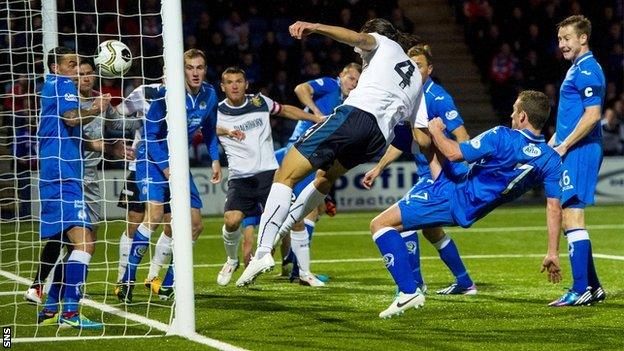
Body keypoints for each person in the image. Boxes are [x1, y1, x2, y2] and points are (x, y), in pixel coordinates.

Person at [236, 18, 426, 287]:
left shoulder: (381, 43)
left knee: (285, 175)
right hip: (377, 139)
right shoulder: (416, 76)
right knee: (324, 179)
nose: (358, 52)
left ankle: (264, 251)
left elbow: (358, 40)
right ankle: (286, 226)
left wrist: (315, 27)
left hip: (356, 116)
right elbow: (416, 131)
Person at [369, 90, 563, 318]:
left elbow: (453, 153)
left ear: (522, 117)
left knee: (380, 225)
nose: (511, 115)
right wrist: (553, 251)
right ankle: (460, 281)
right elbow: (553, 207)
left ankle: (408, 291)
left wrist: (437, 131)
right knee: (426, 146)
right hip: (464, 193)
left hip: (454, 197)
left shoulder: (502, 136)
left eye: (514, 111)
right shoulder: (551, 160)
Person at [362, 44, 476, 295]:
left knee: (397, 223)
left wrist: (460, 173)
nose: (415, 70)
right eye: (411, 66)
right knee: (431, 230)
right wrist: (379, 168)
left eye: (420, 66)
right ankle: (466, 283)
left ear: (430, 69)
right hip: (428, 175)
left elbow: (463, 136)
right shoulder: (410, 97)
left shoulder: (437, 97)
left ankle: (414, 286)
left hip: (440, 177)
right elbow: (403, 142)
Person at [24, 60, 140, 305]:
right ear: (72, 77)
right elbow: (72, 123)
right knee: (73, 240)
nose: (86, 78)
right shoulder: (68, 100)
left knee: (86, 242)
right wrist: (96, 113)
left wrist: (145, 117)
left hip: (90, 179)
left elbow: (118, 125)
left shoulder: (102, 101)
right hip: (69, 175)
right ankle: (58, 297)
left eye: (89, 73)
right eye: (80, 73)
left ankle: (57, 298)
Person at [116, 49, 221, 303]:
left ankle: (167, 284)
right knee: (152, 216)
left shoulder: (209, 94)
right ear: (181, 70)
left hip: (178, 163)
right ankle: (126, 280)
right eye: (189, 67)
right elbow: (150, 137)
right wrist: (165, 168)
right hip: (151, 161)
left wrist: (215, 158)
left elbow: (209, 129)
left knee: (195, 225)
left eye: (199, 67)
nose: (195, 73)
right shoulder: (166, 95)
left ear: (205, 70)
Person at [215, 67, 323, 286]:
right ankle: (231, 259)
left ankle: (305, 273)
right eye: (229, 82)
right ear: (222, 86)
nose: (234, 85)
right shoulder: (216, 111)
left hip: (269, 175)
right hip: (240, 178)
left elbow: (285, 110)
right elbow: (202, 129)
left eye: (238, 81)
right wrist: (225, 132)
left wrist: (315, 118)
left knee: (296, 220)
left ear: (246, 84)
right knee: (232, 220)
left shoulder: (259, 101)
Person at [274, 62, 361, 283]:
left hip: (312, 154)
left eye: (357, 81)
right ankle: (297, 272)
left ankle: (289, 263)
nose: (353, 84)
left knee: (310, 208)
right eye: (351, 78)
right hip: (302, 151)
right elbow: (301, 88)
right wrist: (316, 113)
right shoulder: (331, 85)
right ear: (341, 75)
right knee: (306, 211)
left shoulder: (346, 100)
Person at [548, 15, 606, 307]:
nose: (562, 44)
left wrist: (565, 145)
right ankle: (593, 287)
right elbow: (572, 116)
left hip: (582, 150)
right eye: (559, 39)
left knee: (572, 215)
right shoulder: (577, 69)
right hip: (573, 148)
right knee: (571, 215)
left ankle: (580, 288)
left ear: (583, 38)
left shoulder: (587, 71)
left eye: (567, 38)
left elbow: (593, 115)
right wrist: (554, 142)